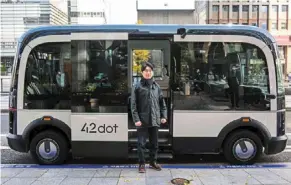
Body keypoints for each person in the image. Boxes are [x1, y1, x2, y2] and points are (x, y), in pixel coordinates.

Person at [131, 62, 167, 173]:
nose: (148, 73)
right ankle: (142, 164)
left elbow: (162, 103)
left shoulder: (157, 87)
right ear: (142, 72)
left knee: (154, 143)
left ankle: (153, 162)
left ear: (152, 72)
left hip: (155, 119)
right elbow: (133, 105)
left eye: (150, 71)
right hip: (142, 120)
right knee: (141, 144)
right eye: (146, 71)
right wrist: (136, 119)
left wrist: (163, 116)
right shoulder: (137, 86)